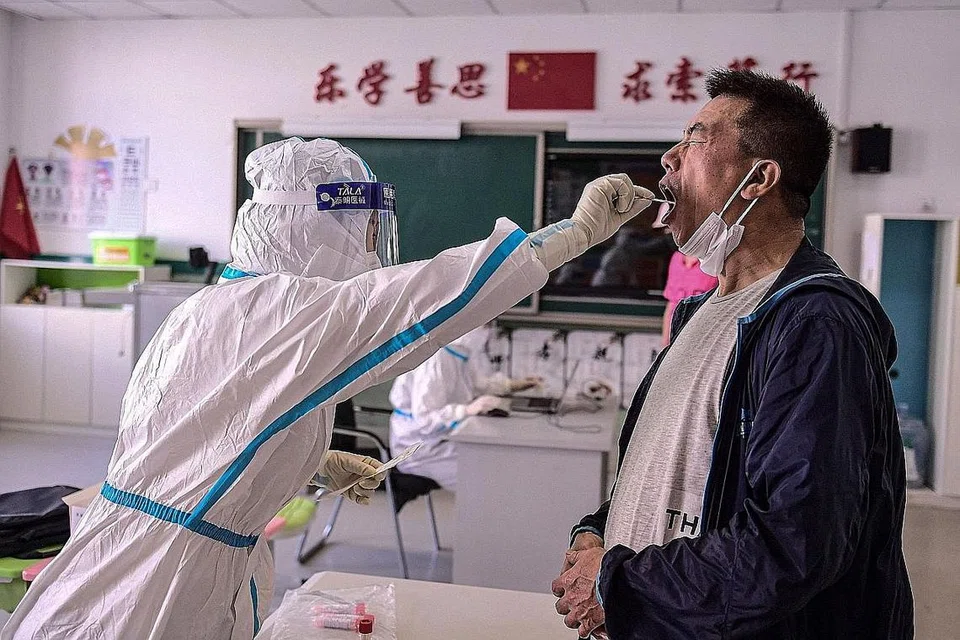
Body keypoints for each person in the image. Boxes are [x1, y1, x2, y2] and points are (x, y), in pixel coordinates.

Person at [3, 137, 653, 640]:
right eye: (362, 227)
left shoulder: (215, 309)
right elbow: (426, 296)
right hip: (150, 597)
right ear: (316, 225)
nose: (371, 245)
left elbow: (208, 441)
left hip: (131, 566)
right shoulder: (281, 310)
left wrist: (309, 464)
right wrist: (572, 234)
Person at [552, 70, 913, 639]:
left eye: (695, 138)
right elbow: (679, 475)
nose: (669, 157)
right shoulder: (700, 313)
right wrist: (599, 532)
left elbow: (795, 546)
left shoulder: (815, 324)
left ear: (758, 179)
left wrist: (620, 582)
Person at [388, 325, 539, 489]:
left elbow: (477, 384)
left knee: (498, 462)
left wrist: (513, 385)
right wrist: (466, 410)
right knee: (489, 476)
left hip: (442, 438)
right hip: (418, 449)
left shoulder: (459, 352)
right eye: (484, 323)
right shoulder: (435, 358)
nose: (488, 330)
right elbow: (425, 420)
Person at [660, 251, 718, 347]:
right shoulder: (676, 258)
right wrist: (665, 339)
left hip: (701, 332)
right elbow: (671, 303)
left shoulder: (714, 260)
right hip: (675, 330)